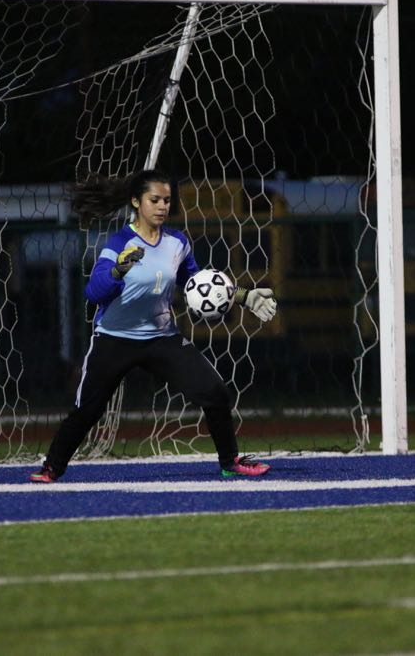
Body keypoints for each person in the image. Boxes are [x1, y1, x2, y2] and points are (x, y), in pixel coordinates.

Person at [29, 169, 278, 482]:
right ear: (136, 202)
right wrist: (118, 270)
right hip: (114, 339)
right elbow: (93, 293)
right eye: (155, 200)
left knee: (214, 392)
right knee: (88, 410)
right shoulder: (120, 242)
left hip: (161, 338)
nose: (162, 206)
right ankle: (52, 467)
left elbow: (197, 283)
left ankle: (230, 462)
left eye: (167, 200)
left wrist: (243, 296)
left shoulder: (177, 242)